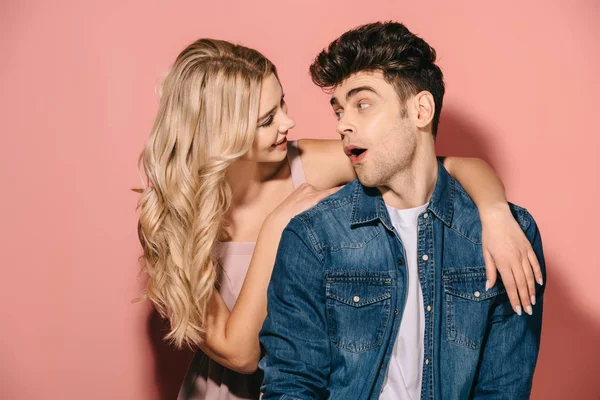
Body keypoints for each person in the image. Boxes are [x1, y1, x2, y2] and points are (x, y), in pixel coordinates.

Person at [136, 38, 542, 400]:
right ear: (218, 133)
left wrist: (495, 214)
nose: (287, 123)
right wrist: (277, 227)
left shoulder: (305, 163)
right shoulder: (172, 220)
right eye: (266, 120)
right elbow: (240, 353)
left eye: (282, 103)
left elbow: (438, 164)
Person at [259, 22, 545, 399]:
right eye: (339, 110)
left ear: (421, 110)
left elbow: (503, 387)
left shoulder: (506, 236)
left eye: (362, 104)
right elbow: (292, 384)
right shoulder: (313, 238)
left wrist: (493, 213)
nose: (343, 124)